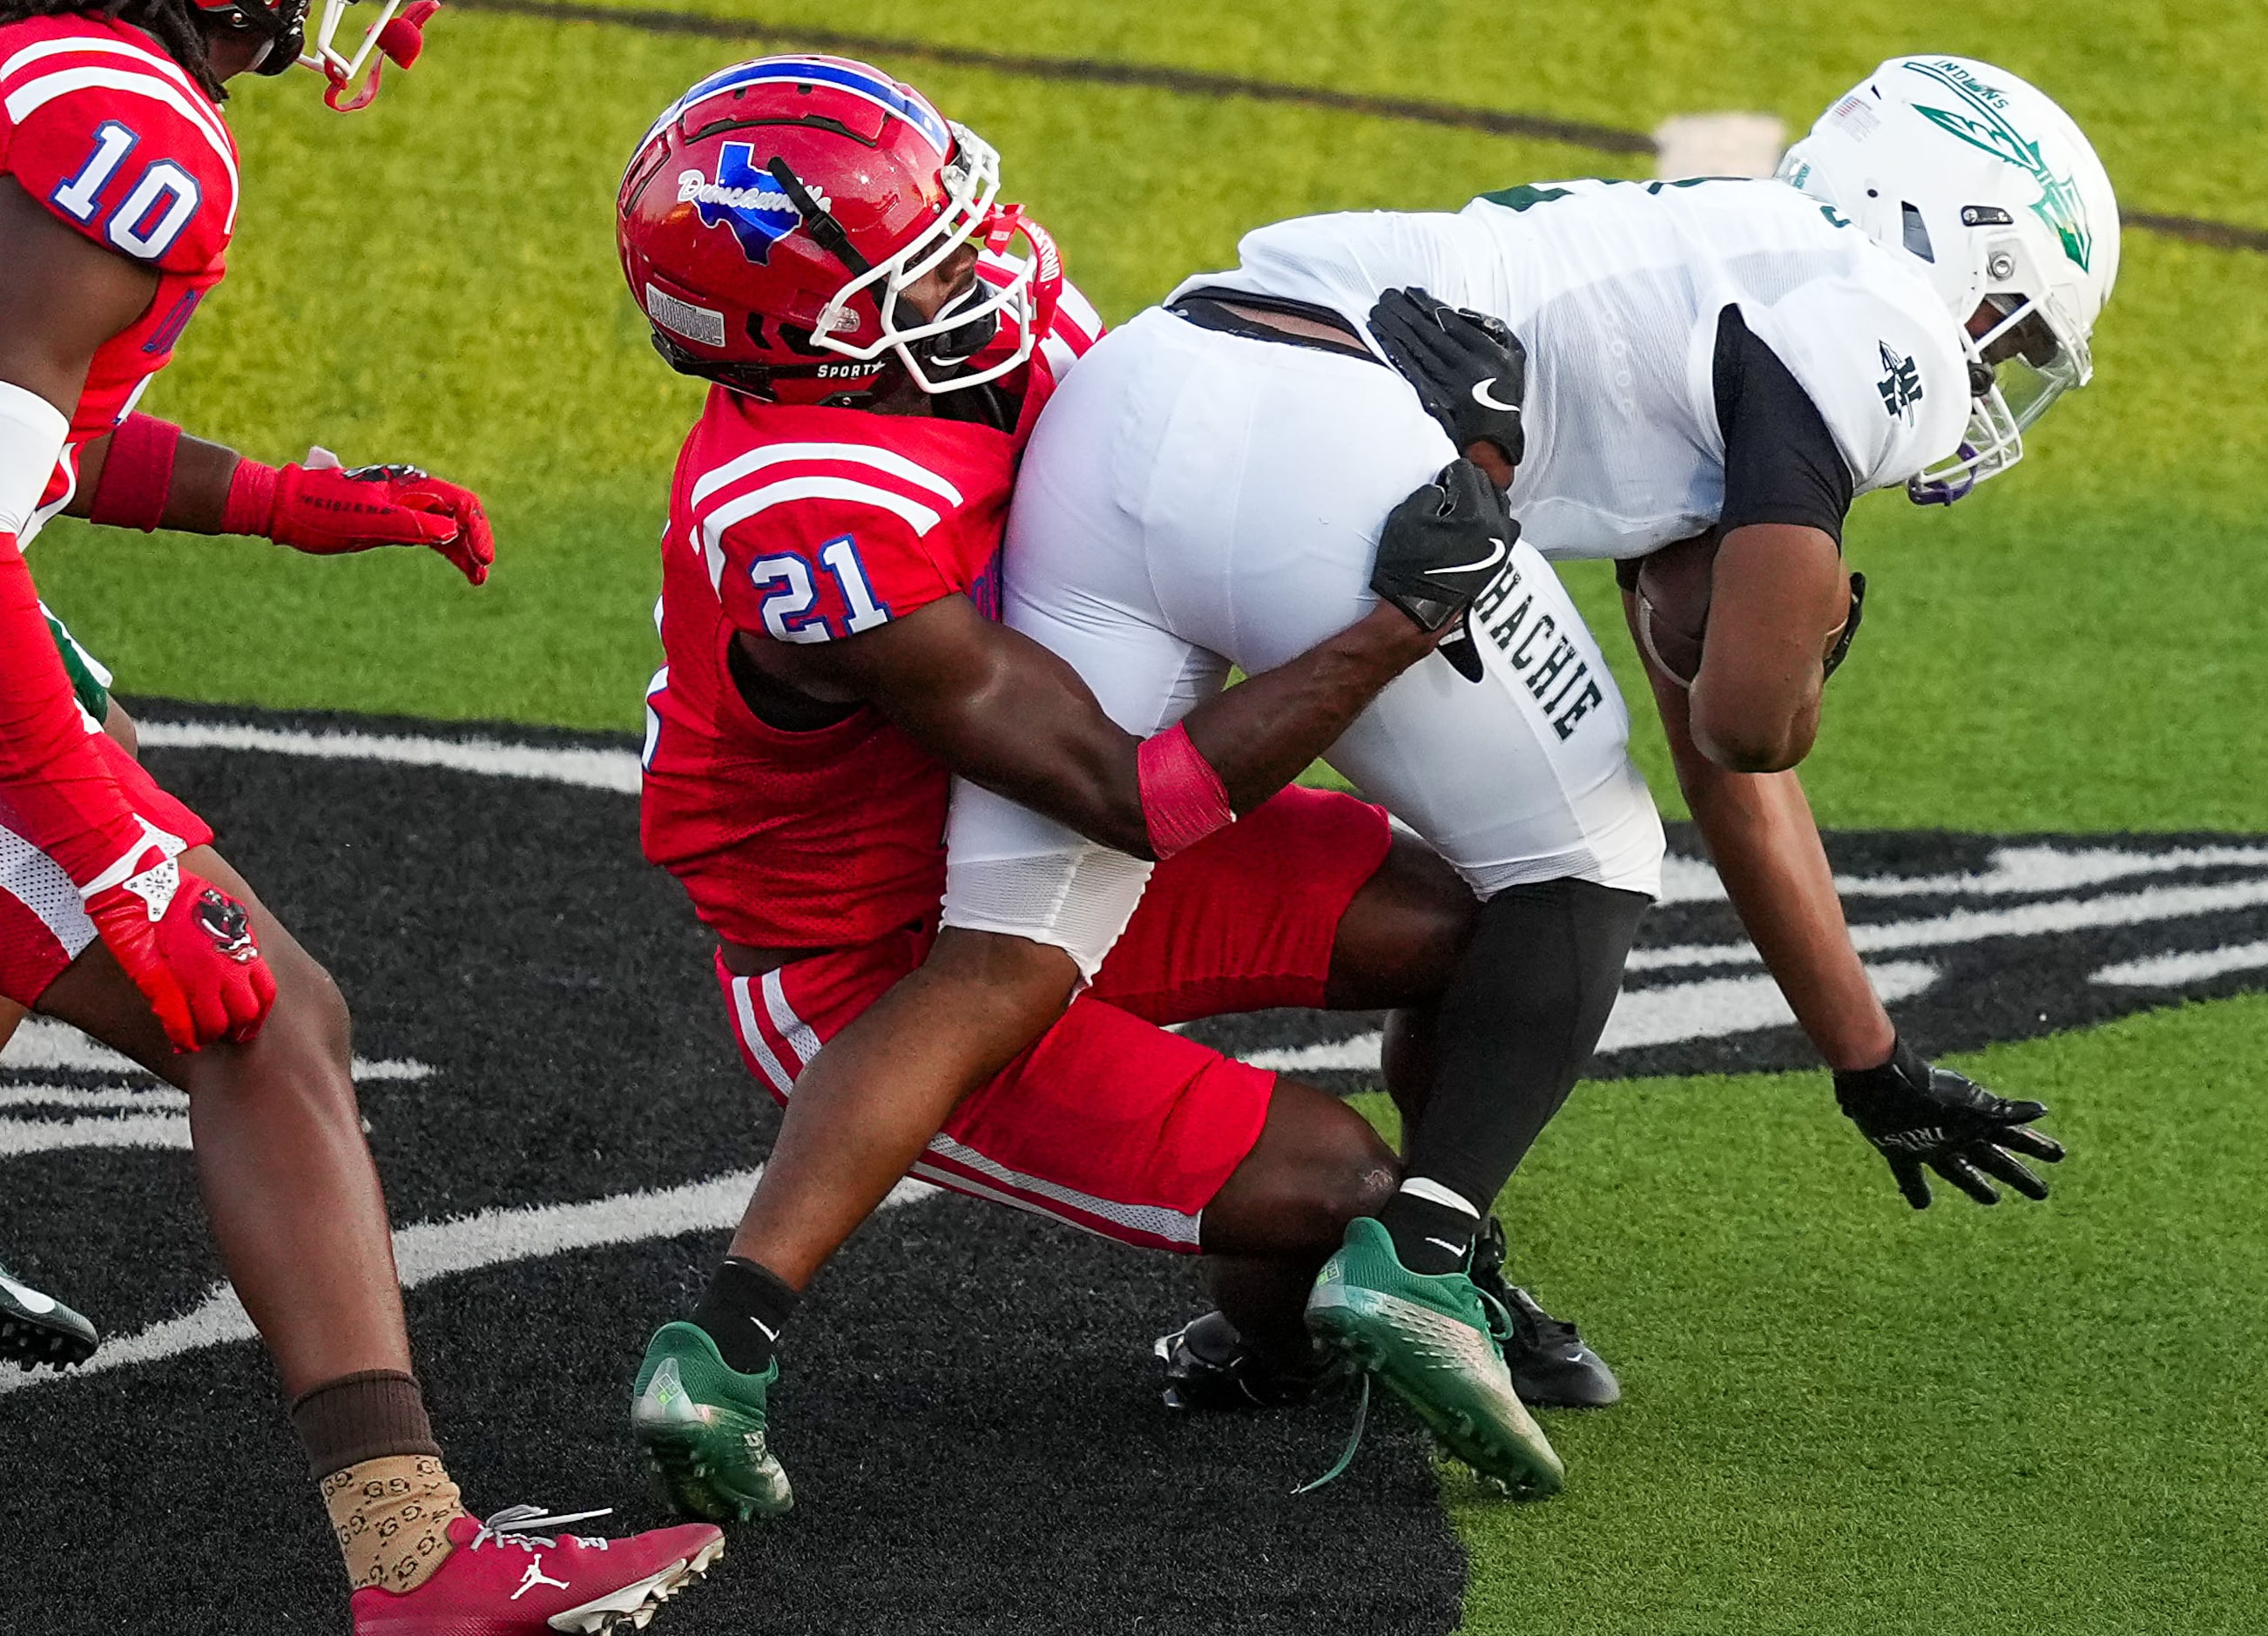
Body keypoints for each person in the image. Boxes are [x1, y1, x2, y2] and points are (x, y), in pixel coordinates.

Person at [747, 54, 2107, 1489]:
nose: (1990, 363)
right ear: (1949, 231)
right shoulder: (1871, 314)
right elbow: (1753, 728)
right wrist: (1814, 638)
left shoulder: (1699, 270)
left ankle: (726, 1337)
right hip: (1330, 441)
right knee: (1580, 860)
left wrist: (1868, 1060)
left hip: (1133, 402)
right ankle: (1425, 1249)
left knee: (1013, 945)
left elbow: (1729, 773)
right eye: (2006, 318)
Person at [608, 55, 1554, 1518]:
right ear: (797, 348)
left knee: (1465, 922)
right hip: (869, 949)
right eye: (920, 281)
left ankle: (1431, 1254)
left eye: (958, 233)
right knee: (1331, 1185)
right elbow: (1139, 796)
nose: (984, 279)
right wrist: (1392, 623)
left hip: (1045, 845)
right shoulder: (809, 512)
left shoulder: (985, 333)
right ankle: (1265, 1339)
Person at [0, 2, 726, 1627]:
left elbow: (34, 430)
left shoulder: (51, 67)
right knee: (269, 1014)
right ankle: (416, 1559)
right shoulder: (123, 124)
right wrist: (117, 855)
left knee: (91, 718)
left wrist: (275, 501)